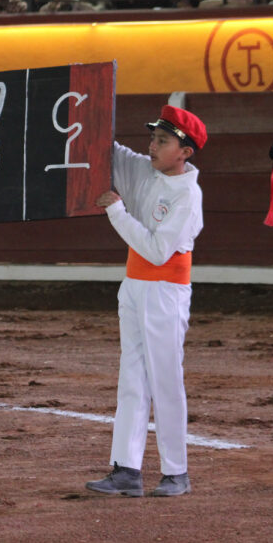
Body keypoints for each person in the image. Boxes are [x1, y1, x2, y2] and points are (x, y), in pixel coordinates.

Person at [86, 104, 206, 498]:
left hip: (165, 293)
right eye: (153, 138)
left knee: (165, 380)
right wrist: (87, 109)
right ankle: (126, 469)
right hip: (135, 286)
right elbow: (109, 149)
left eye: (163, 141)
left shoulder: (188, 195)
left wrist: (116, 211)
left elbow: (157, 252)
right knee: (132, 378)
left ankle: (177, 472)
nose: (152, 146)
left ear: (185, 152)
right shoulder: (146, 168)